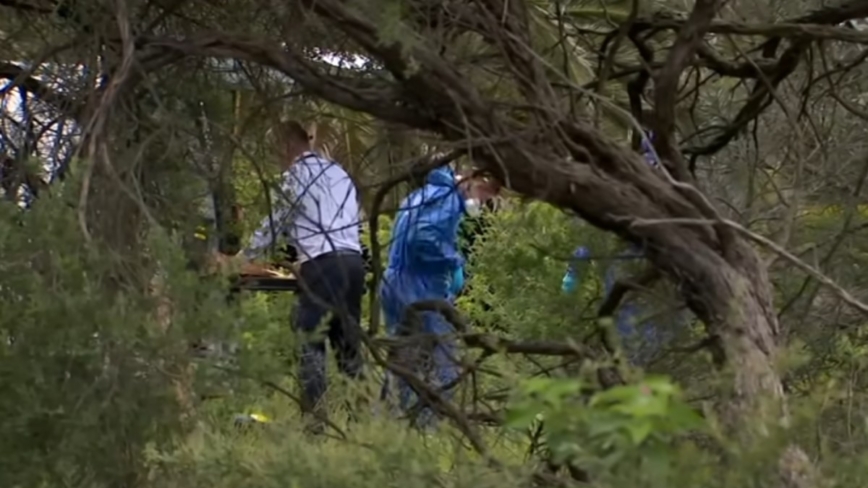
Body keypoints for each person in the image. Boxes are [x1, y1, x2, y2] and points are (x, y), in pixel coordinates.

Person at [231, 120, 366, 431]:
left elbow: (274, 222)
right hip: (353, 261)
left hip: (322, 263)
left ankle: (315, 421)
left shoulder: (294, 178)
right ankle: (361, 421)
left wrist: (243, 258)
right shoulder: (339, 173)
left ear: (285, 146)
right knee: (347, 345)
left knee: (310, 342)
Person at [379, 165, 499, 428]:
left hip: (396, 282)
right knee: (445, 361)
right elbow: (423, 237)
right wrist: (453, 261)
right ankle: (429, 427)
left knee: (403, 361)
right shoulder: (446, 200)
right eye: (485, 193)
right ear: (470, 180)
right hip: (418, 287)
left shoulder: (423, 194)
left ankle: (389, 425)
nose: (483, 201)